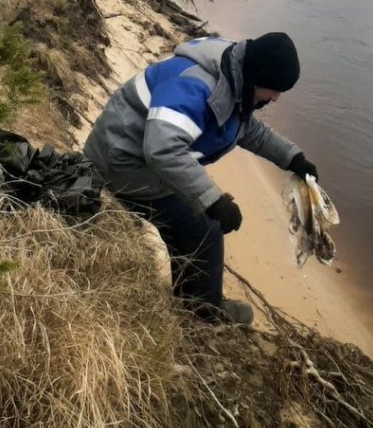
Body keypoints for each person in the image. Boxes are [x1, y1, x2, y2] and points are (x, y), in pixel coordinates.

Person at [83, 32, 319, 326]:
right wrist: (212, 201)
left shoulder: (236, 75)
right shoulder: (196, 85)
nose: (275, 98)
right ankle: (203, 312)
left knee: (186, 224)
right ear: (258, 76)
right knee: (204, 227)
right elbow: (162, 149)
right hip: (119, 162)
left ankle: (188, 296)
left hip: (133, 154)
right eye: (273, 90)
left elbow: (247, 130)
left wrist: (293, 158)